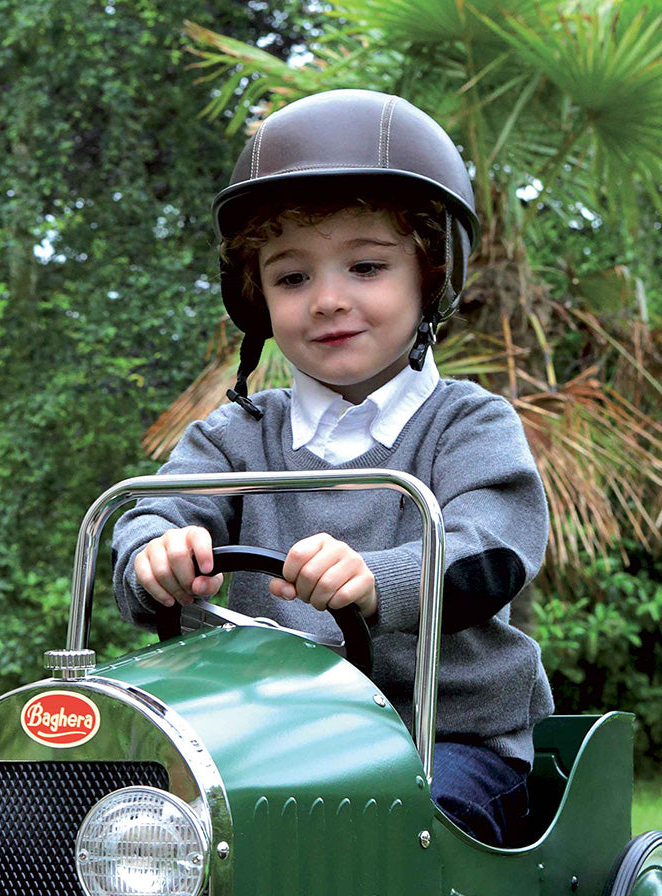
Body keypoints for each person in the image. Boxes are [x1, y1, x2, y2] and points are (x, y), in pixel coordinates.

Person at [112, 89, 552, 847]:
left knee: (394, 823)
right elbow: (158, 511)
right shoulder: (235, 437)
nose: (328, 300)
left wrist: (381, 580)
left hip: (445, 737)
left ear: (430, 278)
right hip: (264, 741)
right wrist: (157, 554)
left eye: (366, 266)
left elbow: (494, 549)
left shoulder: (468, 424)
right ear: (257, 298)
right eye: (292, 278)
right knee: (126, 815)